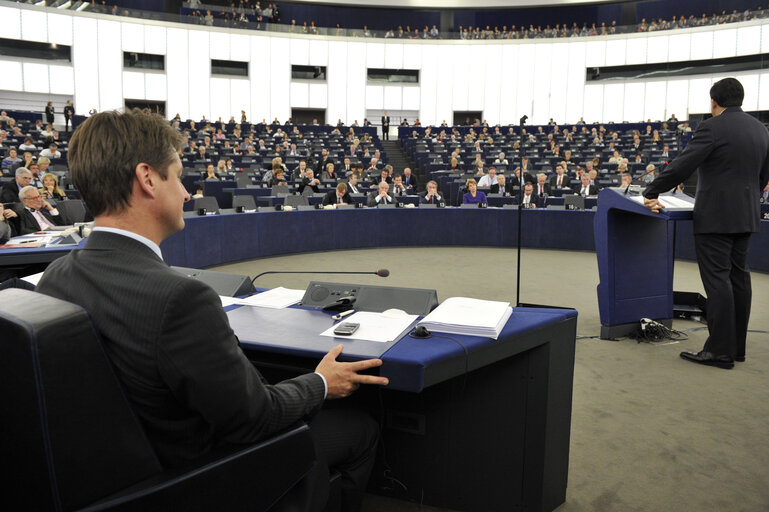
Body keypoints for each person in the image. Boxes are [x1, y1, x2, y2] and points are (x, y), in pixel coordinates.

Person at [35, 110, 389, 511]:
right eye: (179, 176)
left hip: (111, 475)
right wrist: (322, 381)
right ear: (148, 179)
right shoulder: (180, 299)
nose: (186, 193)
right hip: (196, 476)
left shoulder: (55, 276)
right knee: (361, 429)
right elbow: (257, 418)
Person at [643, 78, 769, 369]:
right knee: (739, 278)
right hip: (747, 214)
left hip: (716, 217)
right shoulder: (761, 130)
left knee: (718, 282)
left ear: (714, 102)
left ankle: (719, 351)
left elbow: (683, 165)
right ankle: (736, 348)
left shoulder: (711, 127)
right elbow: (764, 176)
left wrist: (652, 190)